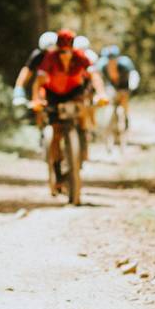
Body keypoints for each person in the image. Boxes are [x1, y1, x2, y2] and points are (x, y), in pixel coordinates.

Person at [30, 28, 96, 194]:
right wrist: (36, 99)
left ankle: (82, 143)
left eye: (68, 51)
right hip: (53, 94)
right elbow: (38, 81)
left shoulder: (81, 57)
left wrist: (101, 93)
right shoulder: (49, 58)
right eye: (62, 51)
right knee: (56, 132)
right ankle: (57, 169)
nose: (65, 55)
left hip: (74, 91)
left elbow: (95, 76)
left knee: (82, 114)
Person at [11, 30, 57, 113]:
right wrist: (19, 91)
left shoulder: (64, 56)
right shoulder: (37, 56)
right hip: (42, 88)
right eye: (46, 52)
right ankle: (41, 121)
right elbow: (25, 73)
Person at [96, 44, 140, 129]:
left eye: (114, 59)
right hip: (110, 86)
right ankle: (105, 125)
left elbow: (133, 74)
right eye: (109, 59)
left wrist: (132, 86)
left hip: (124, 85)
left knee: (124, 100)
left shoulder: (125, 64)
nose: (112, 61)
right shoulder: (102, 65)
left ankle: (126, 117)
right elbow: (98, 77)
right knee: (106, 102)